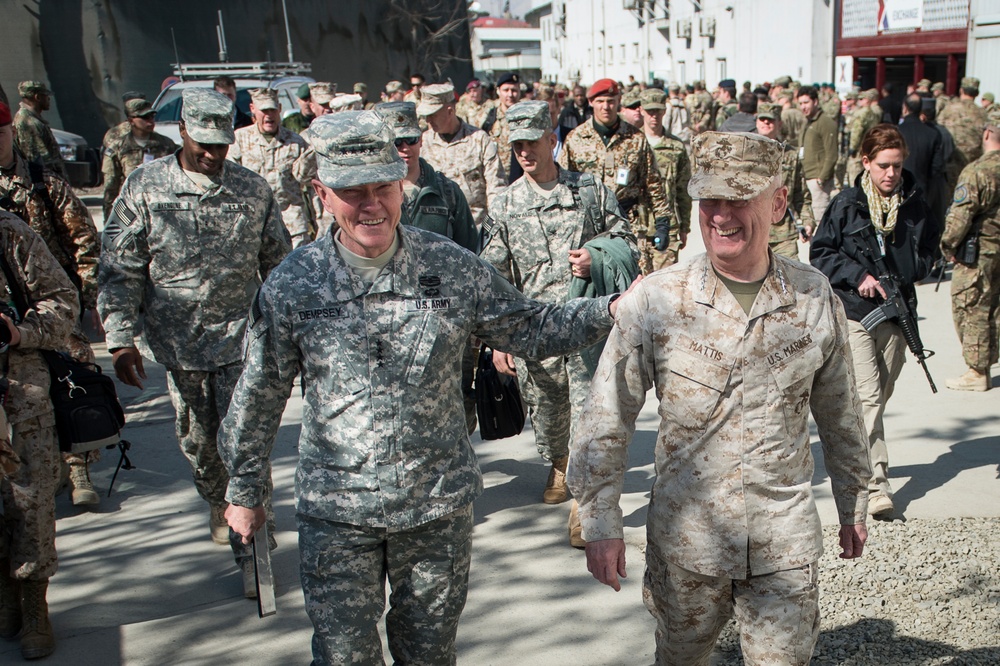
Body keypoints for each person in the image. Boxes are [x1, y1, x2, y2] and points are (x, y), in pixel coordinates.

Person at [217, 110, 631, 665]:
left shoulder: (450, 268)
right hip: (339, 512)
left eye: (384, 187)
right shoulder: (294, 282)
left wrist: (612, 308)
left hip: (435, 509)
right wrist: (244, 489)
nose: (372, 205)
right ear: (321, 194)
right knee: (343, 657)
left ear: (401, 185)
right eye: (352, 192)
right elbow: (259, 391)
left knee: (430, 655)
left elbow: (529, 325)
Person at [568, 131, 871, 665]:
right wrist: (601, 523)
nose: (722, 215)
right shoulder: (659, 300)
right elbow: (606, 414)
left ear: (777, 203)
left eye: (739, 199)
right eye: (710, 200)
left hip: (784, 540)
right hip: (688, 545)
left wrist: (854, 501)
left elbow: (841, 409)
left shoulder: (811, 293)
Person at [97, 88, 291, 595]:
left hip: (241, 343)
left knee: (246, 448)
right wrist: (120, 338)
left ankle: (254, 554)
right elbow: (120, 269)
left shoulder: (251, 190)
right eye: (202, 143)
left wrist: (292, 332)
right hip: (179, 347)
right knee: (200, 447)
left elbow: (278, 266)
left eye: (221, 145)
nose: (212, 154)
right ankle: (216, 499)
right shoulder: (144, 187)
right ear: (181, 131)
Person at [480, 100, 637, 546]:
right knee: (549, 415)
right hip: (535, 331)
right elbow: (493, 274)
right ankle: (560, 462)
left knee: (592, 414)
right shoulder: (506, 204)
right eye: (516, 146)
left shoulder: (589, 191)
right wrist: (497, 340)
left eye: (532, 142)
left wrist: (598, 255)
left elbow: (626, 240)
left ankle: (584, 508)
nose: (524, 152)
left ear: (553, 140)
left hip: (588, 325)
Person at [810, 124, 939, 519]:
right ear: (866, 163)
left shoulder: (914, 203)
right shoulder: (848, 204)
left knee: (877, 399)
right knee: (867, 398)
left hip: (898, 311)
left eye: (897, 167)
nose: (891, 175)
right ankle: (875, 486)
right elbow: (820, 253)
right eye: (883, 166)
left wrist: (909, 264)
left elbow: (930, 252)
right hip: (855, 311)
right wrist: (859, 276)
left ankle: (851, 458)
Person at [0, 101, 104, 506]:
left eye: (1, 133)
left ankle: (79, 469)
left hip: (50, 302)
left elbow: (82, 237)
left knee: (72, 384)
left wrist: (90, 295)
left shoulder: (42, 181)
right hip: (12, 316)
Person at [0, 209, 80, 660]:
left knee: (29, 499)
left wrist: (21, 332)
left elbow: (63, 300)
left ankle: (34, 603)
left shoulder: (9, 232)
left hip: (19, 389)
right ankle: (3, 595)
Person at [559, 78, 673, 276]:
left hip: (628, 222)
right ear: (591, 102)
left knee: (636, 281)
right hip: (587, 224)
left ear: (618, 101)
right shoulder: (575, 139)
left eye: (611, 101)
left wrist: (663, 224)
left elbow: (653, 183)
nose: (606, 107)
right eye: (601, 101)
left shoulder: (635, 139)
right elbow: (561, 184)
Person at [939, 107, 1000, 392]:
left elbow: (960, 215)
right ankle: (989, 359)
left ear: (987, 133)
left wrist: (947, 245)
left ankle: (977, 371)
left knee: (971, 307)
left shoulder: (977, 171)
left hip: (979, 252)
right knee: (994, 307)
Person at [229, 88, 316, 248]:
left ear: (280, 109)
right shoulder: (239, 140)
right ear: (252, 109)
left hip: (292, 224)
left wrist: (318, 221)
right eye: (264, 110)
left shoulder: (295, 142)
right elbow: (228, 183)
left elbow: (309, 183)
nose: (269, 115)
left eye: (272, 109)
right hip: (253, 224)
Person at [418, 83, 506, 227]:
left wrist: (491, 229)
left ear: (450, 111)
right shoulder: (424, 142)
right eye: (426, 116)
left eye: (432, 115)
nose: (428, 121)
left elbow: (497, 187)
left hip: (475, 229)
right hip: (437, 234)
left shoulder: (478, 140)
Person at [101, 97, 177, 220]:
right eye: (144, 118)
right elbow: (111, 188)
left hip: (161, 210)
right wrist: (110, 221)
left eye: (152, 117)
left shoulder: (166, 144)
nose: (150, 121)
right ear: (131, 120)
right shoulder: (118, 148)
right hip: (131, 210)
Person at [639, 88, 691, 268]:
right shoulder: (632, 144)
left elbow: (684, 190)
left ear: (664, 111)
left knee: (665, 288)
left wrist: (685, 226)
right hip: (638, 228)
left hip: (667, 228)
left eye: (658, 111)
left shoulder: (675, 147)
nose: (654, 116)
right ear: (642, 111)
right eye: (650, 111)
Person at [756, 103, 815, 258]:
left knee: (790, 280)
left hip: (783, 234)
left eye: (771, 120)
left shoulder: (790, 156)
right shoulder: (745, 154)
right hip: (752, 233)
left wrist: (808, 221)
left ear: (779, 124)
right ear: (756, 122)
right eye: (762, 119)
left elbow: (800, 194)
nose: (766, 123)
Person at [799, 85, 839, 221]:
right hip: (807, 177)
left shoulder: (825, 123)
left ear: (815, 102)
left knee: (819, 219)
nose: (803, 107)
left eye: (806, 102)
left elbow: (832, 154)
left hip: (817, 180)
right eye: (800, 103)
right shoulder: (808, 123)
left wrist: (822, 178)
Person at [12, 81, 64, 178]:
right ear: (38, 97)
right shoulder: (29, 122)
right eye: (46, 95)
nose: (48, 99)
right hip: (47, 181)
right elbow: (39, 160)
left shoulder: (31, 118)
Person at [897, 93, 944, 198]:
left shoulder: (896, 131)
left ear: (905, 108)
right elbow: (936, 166)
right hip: (922, 189)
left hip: (898, 188)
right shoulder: (932, 134)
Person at [939, 77, 989, 167]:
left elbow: (938, 130)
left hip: (951, 161)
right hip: (973, 164)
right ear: (977, 94)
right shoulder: (983, 113)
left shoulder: (949, 109)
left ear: (961, 90)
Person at [486, 72, 522, 182]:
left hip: (520, 179)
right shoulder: (489, 117)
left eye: (514, 90)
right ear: (498, 91)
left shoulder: (526, 115)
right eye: (506, 90)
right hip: (496, 179)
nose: (510, 95)